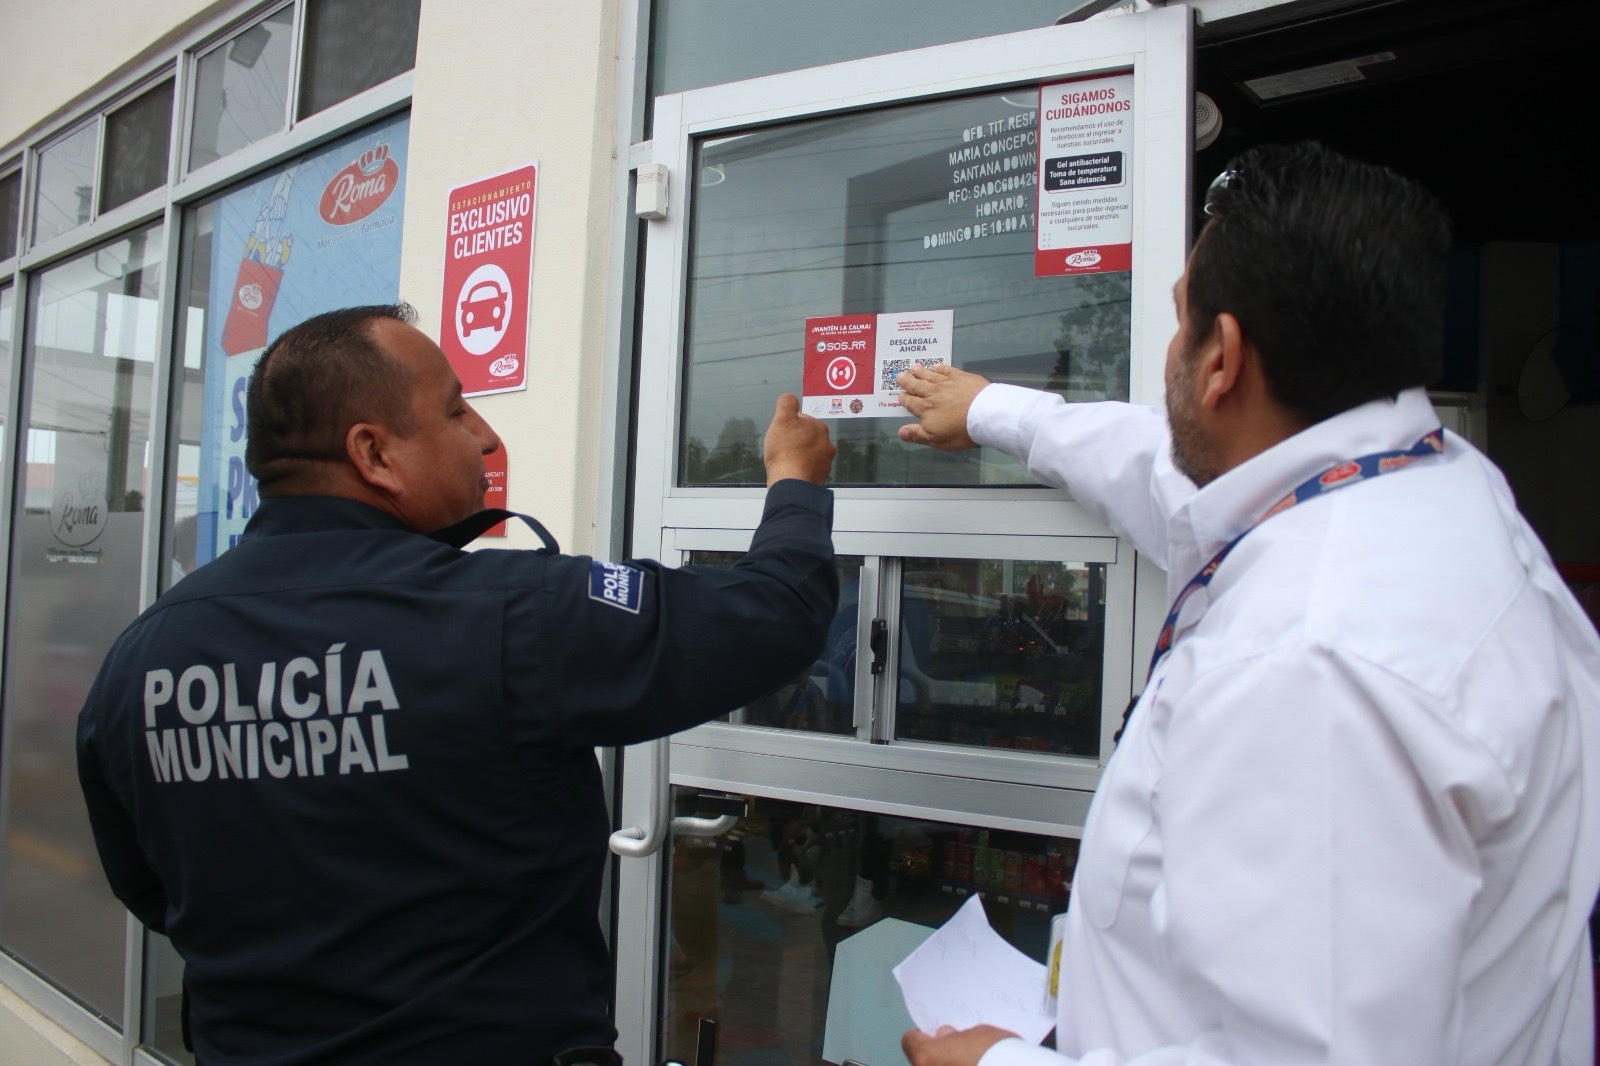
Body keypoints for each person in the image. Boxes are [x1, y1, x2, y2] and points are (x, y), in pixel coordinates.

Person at [894, 143, 1600, 1065]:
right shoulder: (1424, 482)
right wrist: (995, 410)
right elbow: (1161, 471)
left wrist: (991, 1064)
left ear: (1220, 359)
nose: (1169, 351)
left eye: (1180, 319)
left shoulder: (1312, 669)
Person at [75, 303, 839, 1065]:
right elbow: (772, 616)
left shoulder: (137, 661)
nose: (485, 437)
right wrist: (795, 479)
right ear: (373, 454)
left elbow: (154, 894)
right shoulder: (510, 615)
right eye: (454, 410)